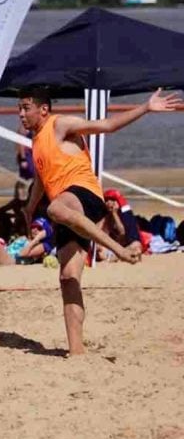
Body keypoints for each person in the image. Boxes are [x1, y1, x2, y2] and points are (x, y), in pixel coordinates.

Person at [20, 85, 180, 356]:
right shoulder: (36, 142)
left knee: (56, 209)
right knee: (68, 277)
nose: (20, 114)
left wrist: (145, 107)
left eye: (25, 108)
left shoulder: (60, 125)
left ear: (43, 109)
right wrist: (28, 208)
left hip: (85, 195)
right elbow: (41, 178)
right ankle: (77, 351)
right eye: (19, 109)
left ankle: (119, 248)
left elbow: (106, 125)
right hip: (69, 210)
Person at [98, 188, 142, 261]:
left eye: (111, 200)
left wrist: (114, 213)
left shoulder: (125, 215)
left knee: (136, 245)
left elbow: (122, 233)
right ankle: (118, 256)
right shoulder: (105, 216)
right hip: (112, 246)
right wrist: (106, 216)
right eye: (107, 200)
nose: (109, 203)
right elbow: (100, 233)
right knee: (98, 249)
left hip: (124, 245)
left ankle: (117, 256)